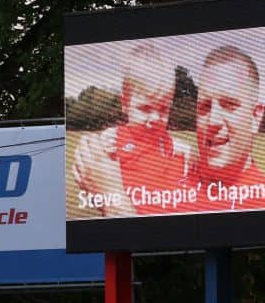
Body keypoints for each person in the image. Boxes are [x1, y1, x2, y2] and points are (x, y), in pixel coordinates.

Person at [71, 42, 191, 217]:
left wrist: (184, 156)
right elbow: (95, 167)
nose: (156, 118)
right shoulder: (113, 139)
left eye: (164, 109)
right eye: (145, 109)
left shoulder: (174, 147)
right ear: (125, 103)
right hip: (125, 231)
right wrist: (104, 147)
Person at [181, 45, 265, 212]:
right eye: (204, 106)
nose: (213, 121)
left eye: (229, 104)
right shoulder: (171, 185)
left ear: (255, 117)